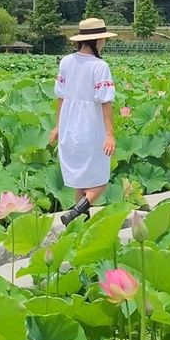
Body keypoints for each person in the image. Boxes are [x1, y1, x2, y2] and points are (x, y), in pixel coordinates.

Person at [49, 17, 117, 226]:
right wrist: (110, 134)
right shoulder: (100, 66)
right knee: (100, 181)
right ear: (97, 41)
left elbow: (60, 97)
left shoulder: (66, 62)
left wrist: (58, 125)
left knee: (80, 179)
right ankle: (75, 213)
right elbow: (105, 102)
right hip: (91, 127)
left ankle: (81, 224)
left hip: (70, 125)